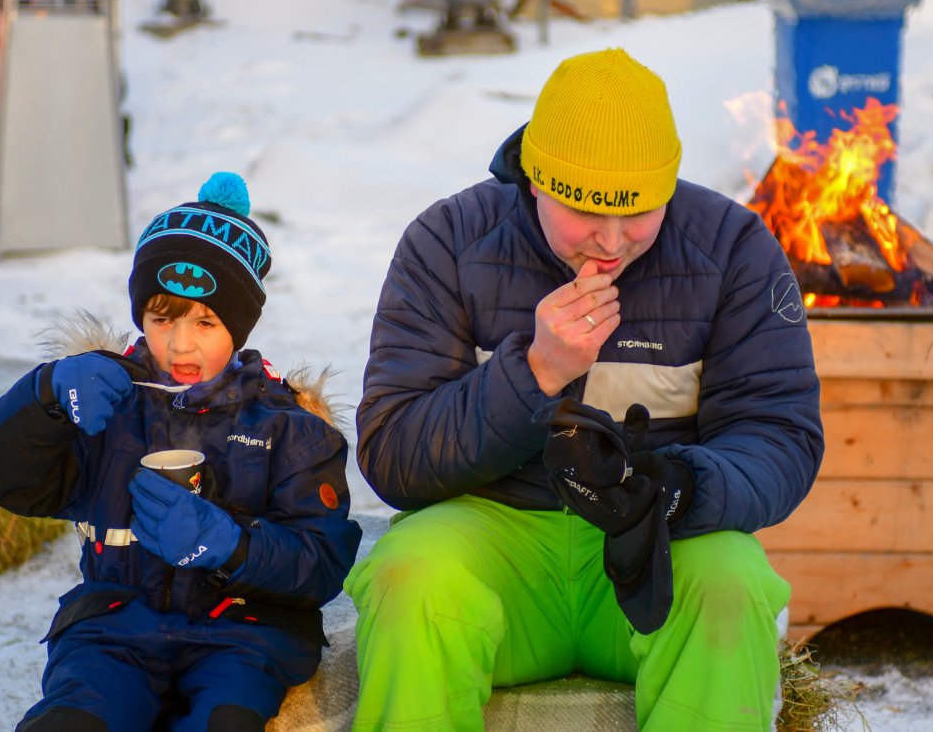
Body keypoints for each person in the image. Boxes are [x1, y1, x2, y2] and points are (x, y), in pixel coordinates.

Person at [344, 48, 823, 731]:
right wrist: (535, 372)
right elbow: (394, 454)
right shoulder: (447, 242)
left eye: (639, 212)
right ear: (536, 181)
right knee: (408, 575)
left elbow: (780, 433)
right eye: (587, 211)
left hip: (653, 550)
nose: (611, 242)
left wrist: (683, 488)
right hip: (495, 540)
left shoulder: (732, 248)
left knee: (732, 579)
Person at [0, 172, 363, 732]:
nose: (180, 343)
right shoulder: (105, 396)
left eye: (206, 322)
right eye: (162, 318)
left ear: (240, 325)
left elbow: (321, 563)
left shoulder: (286, 424)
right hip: (113, 626)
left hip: (244, 635)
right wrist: (45, 396)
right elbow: (13, 481)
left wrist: (231, 546)